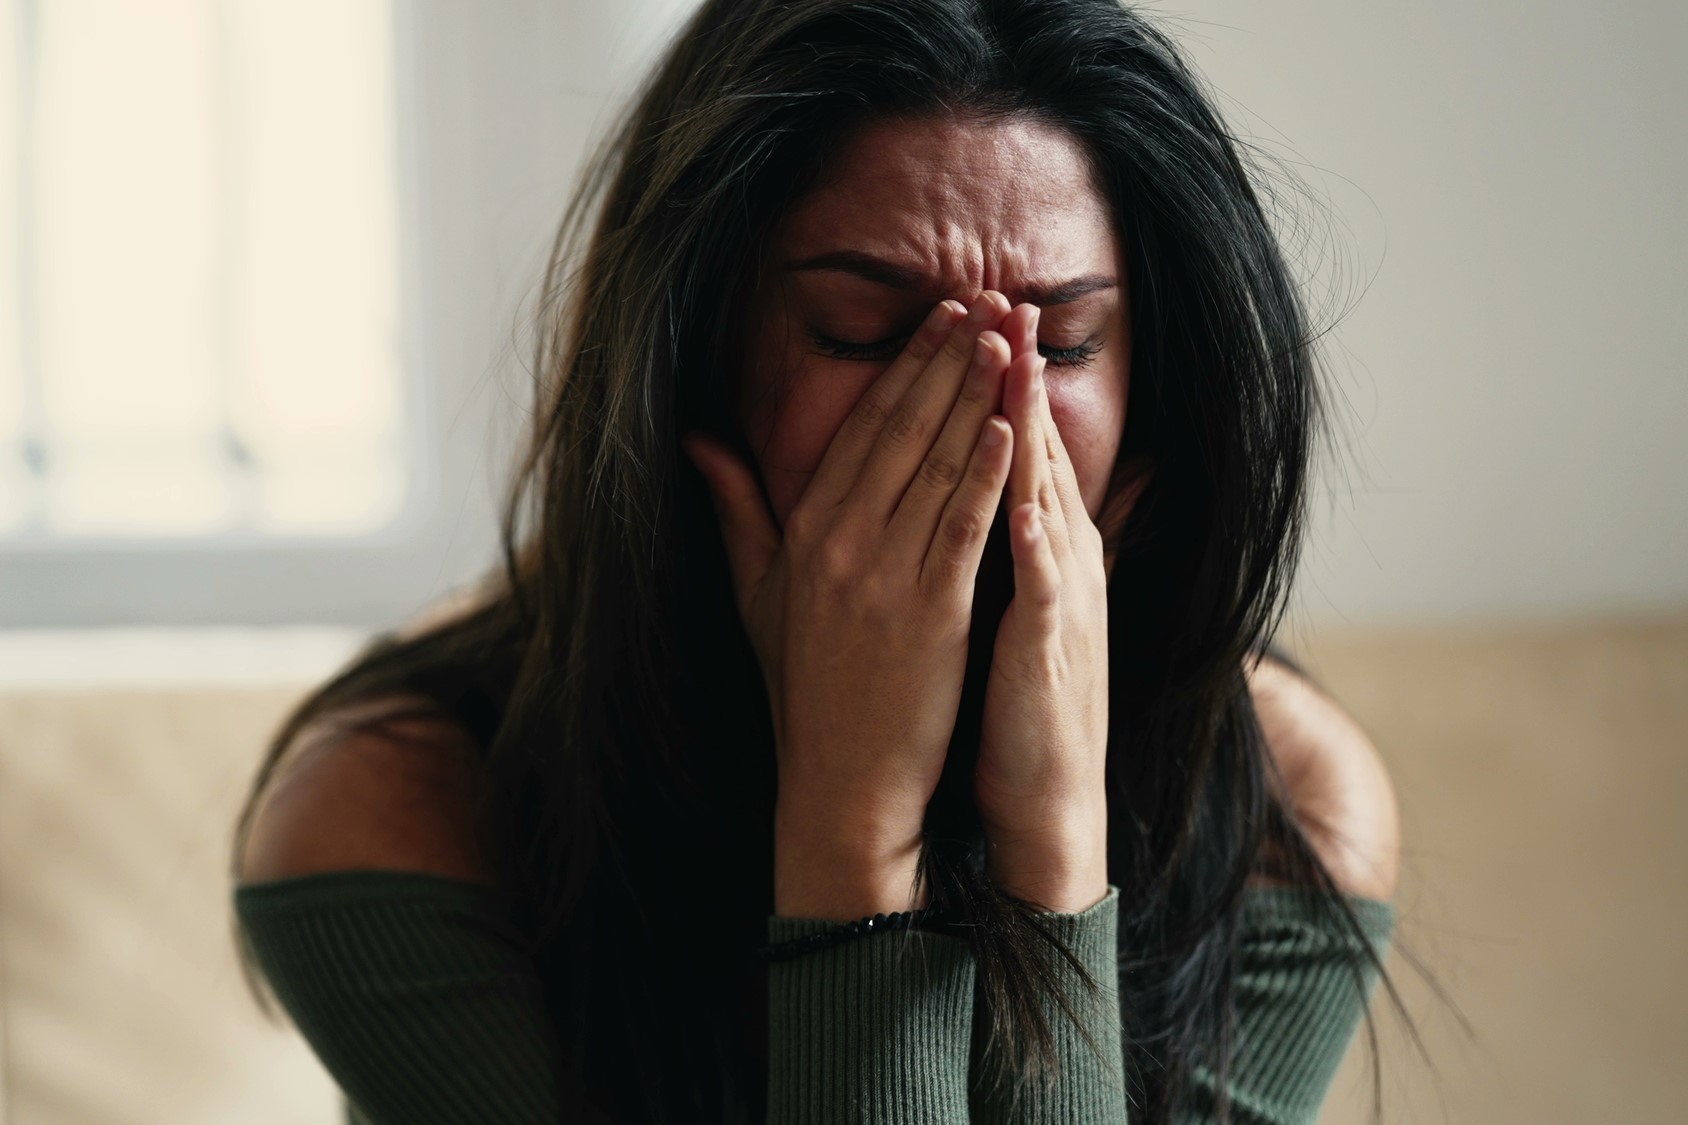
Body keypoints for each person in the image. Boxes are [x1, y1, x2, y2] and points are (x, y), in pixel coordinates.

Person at [229, 1, 1404, 1122]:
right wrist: (854, 833)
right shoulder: (390, 813)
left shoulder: (1284, 815)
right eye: (867, 331)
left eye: (1062, 341)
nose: (987, 417)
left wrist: (1052, 849)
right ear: (693, 355)